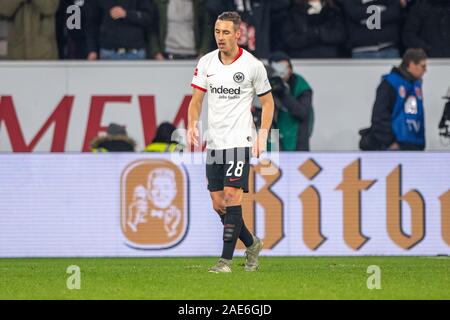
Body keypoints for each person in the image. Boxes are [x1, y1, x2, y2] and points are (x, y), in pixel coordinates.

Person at [187, 11, 274, 273]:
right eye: (217, 31)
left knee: (231, 196)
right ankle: (252, 243)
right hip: (215, 143)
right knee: (218, 203)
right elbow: (196, 101)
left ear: (238, 34)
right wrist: (192, 123)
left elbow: (268, 103)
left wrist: (263, 134)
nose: (220, 37)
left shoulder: (252, 65)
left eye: (226, 32)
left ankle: (225, 261)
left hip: (240, 141)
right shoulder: (206, 63)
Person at [359, 48, 428, 151]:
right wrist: (390, 142)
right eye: (423, 66)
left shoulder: (416, 86)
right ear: (411, 64)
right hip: (395, 147)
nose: (425, 70)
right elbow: (379, 116)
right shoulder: (390, 84)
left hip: (414, 145)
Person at [267, 51, 314, 151]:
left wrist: (283, 92)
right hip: (274, 139)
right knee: (271, 164)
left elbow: (302, 112)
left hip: (298, 140)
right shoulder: (265, 84)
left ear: (290, 69)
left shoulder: (301, 86)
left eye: (284, 68)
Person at [86, 0, 153, 60]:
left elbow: (148, 18)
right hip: (108, 52)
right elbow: (92, 24)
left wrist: (126, 14)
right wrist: (92, 50)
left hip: (135, 52)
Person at [337, 0, 403, 58]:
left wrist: (366, 18)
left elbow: (394, 11)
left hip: (389, 48)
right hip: (361, 50)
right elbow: (355, 13)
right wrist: (381, 10)